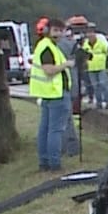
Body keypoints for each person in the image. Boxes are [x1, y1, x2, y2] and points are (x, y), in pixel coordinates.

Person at [29, 18, 69, 171]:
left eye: (61, 30)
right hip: (55, 94)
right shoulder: (47, 48)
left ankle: (45, 162)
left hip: (49, 93)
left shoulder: (48, 46)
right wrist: (66, 64)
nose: (58, 34)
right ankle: (54, 163)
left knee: (45, 129)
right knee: (55, 130)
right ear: (48, 31)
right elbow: (49, 70)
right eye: (55, 30)